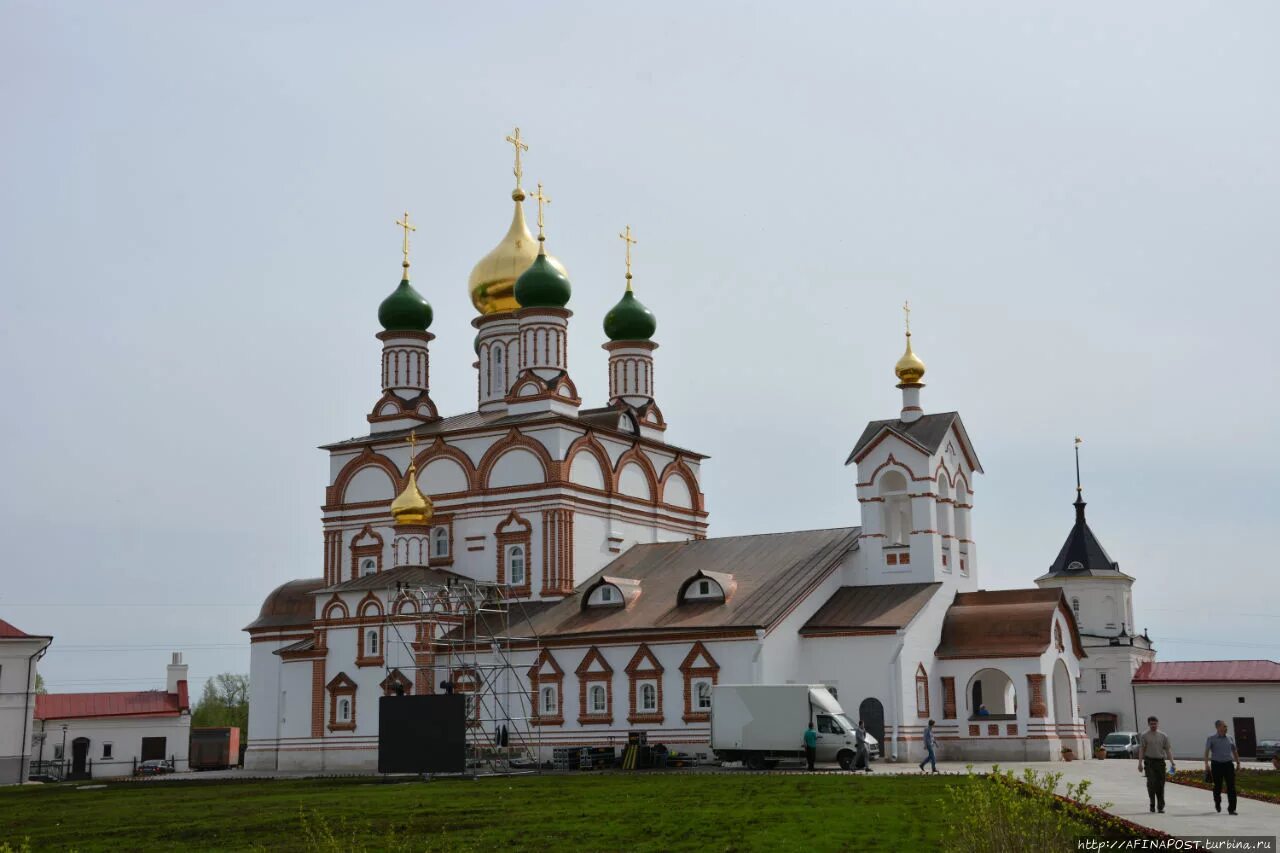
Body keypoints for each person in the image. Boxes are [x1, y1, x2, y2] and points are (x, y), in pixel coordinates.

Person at [1137, 715, 1174, 813]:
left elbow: (1168, 750)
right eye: (1151, 724)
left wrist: (1172, 762)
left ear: (1158, 724)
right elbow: (1141, 749)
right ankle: (1152, 804)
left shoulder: (1163, 736)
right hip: (1149, 762)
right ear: (1148, 724)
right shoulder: (1144, 735)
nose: (1153, 725)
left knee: (1160, 785)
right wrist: (1140, 763)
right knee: (1151, 784)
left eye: (1155, 724)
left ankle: (1160, 806)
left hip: (1160, 762)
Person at [1204, 720, 1241, 815]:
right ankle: (1217, 802)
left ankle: (1232, 809)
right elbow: (1207, 751)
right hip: (1216, 765)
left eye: (1226, 726)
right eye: (1224, 726)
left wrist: (1238, 762)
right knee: (1218, 786)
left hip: (1228, 764)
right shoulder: (1211, 738)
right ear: (1218, 727)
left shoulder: (1230, 738)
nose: (1226, 728)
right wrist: (1206, 764)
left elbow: (1234, 750)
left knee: (1231, 786)